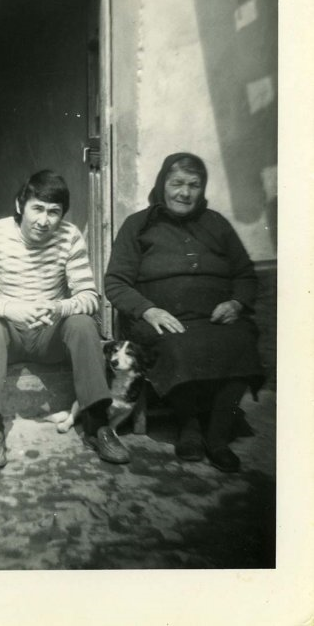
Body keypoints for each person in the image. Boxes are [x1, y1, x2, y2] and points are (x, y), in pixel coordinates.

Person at [0, 169, 130, 469]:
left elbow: (90, 297)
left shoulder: (69, 236)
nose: (44, 220)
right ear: (20, 205)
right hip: (8, 337)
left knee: (83, 323)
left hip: (49, 336)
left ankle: (98, 426)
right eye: (37, 208)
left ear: (62, 215)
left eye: (54, 212)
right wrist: (10, 308)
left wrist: (59, 307)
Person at [104, 153, 264, 473]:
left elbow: (245, 274)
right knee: (177, 345)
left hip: (215, 319)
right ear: (162, 184)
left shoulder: (217, 223)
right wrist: (148, 310)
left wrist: (236, 303)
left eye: (194, 185)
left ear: (202, 189)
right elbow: (116, 282)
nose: (185, 192)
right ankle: (188, 426)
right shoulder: (138, 225)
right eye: (177, 183)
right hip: (161, 319)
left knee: (242, 340)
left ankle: (217, 436)